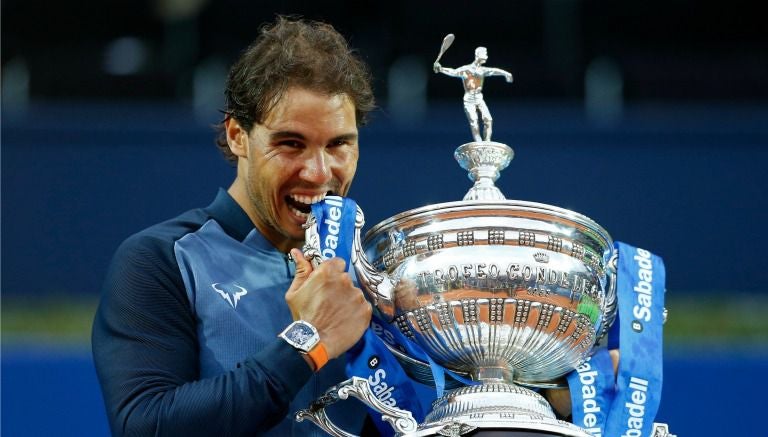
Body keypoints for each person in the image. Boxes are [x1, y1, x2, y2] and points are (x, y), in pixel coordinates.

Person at [92, 16, 376, 436]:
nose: (319, 173)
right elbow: (145, 425)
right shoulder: (160, 260)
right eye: (290, 144)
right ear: (237, 135)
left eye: (338, 144)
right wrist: (308, 341)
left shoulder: (372, 273)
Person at [433, 47, 513, 142]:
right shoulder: (466, 70)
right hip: (469, 99)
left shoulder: (482, 70)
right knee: (474, 122)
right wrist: (441, 69)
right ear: (478, 55)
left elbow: (494, 71)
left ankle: (487, 142)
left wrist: (506, 74)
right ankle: (478, 143)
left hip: (479, 98)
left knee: (488, 120)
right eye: (485, 54)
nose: (486, 56)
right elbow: (453, 72)